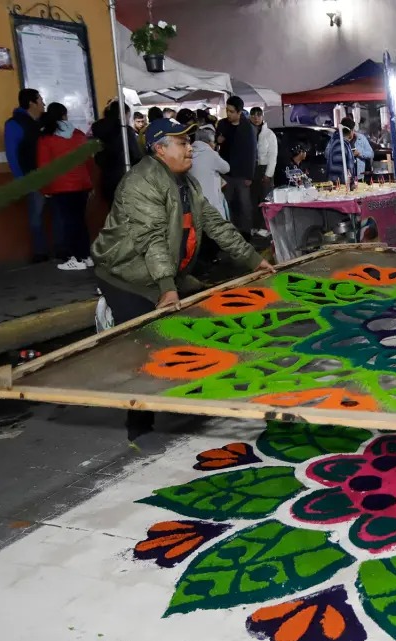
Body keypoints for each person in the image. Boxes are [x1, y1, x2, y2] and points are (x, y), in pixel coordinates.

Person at [90, 118, 273, 439]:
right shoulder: (141, 182)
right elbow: (151, 238)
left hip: (164, 271)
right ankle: (140, 427)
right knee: (146, 345)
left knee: (201, 321)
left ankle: (185, 398)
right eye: (182, 143)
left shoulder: (185, 183)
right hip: (126, 273)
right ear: (160, 149)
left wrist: (253, 260)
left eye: (189, 142)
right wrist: (167, 288)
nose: (191, 148)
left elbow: (216, 225)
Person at [36, 102, 93, 271]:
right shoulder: (78, 134)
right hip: (82, 185)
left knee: (68, 223)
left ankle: (75, 258)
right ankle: (86, 256)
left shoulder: (46, 138)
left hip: (61, 187)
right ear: (64, 115)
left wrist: (45, 190)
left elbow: (45, 167)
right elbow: (88, 161)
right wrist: (90, 184)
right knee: (81, 221)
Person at [4, 88, 47, 261]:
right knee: (36, 215)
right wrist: (21, 180)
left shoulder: (43, 122)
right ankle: (40, 252)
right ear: (32, 103)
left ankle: (62, 249)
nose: (43, 103)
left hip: (52, 175)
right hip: (32, 178)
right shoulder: (15, 124)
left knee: (60, 213)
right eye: (40, 100)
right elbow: (12, 154)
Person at [216, 96, 258, 235]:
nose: (228, 114)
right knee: (227, 204)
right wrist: (218, 141)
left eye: (231, 111)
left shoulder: (248, 128)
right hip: (225, 173)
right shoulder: (222, 124)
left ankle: (246, 233)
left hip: (242, 174)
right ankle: (230, 234)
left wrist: (249, 176)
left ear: (239, 112)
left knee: (244, 205)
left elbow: (252, 153)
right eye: (227, 110)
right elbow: (216, 145)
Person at [90, 100, 141, 205]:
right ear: (123, 114)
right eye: (128, 116)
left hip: (105, 179)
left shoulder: (97, 130)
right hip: (125, 177)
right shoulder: (125, 131)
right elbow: (136, 156)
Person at [190, 125, 230, 220]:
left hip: (195, 200)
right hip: (212, 200)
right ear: (209, 142)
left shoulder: (190, 151)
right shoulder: (210, 154)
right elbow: (226, 168)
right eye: (213, 142)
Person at [250, 107, 278, 236]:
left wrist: (268, 174)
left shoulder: (269, 134)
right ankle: (255, 226)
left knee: (265, 199)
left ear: (262, 117)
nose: (256, 117)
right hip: (252, 169)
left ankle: (266, 227)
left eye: (258, 115)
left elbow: (273, 156)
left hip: (264, 168)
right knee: (253, 199)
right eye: (253, 115)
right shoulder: (248, 132)